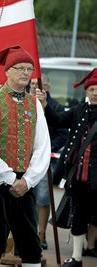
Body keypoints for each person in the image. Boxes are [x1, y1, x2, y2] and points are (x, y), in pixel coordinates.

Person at [0, 46, 51, 267]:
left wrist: (28, 180)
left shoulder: (35, 105)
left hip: (25, 183)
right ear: (7, 71)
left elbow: (42, 146)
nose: (25, 73)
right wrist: (11, 179)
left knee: (30, 242)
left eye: (29, 69)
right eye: (20, 68)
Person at [36, 68, 97, 267]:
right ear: (86, 92)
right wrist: (44, 104)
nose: (95, 93)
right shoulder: (79, 110)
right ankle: (77, 258)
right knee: (78, 217)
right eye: (92, 90)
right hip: (79, 176)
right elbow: (59, 120)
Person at [29, 75, 68, 250]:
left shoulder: (56, 107)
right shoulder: (22, 104)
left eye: (41, 84)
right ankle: (22, 234)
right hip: (24, 159)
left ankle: (41, 234)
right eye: (33, 84)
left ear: (48, 86)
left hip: (46, 161)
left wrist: (48, 147)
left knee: (43, 197)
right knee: (22, 196)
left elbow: (63, 133)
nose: (37, 87)